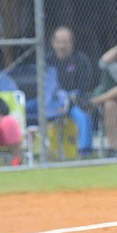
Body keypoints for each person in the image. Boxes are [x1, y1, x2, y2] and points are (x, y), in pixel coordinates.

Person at [46, 26, 96, 158]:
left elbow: (85, 87)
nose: (62, 46)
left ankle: (84, 151)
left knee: (83, 115)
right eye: (59, 42)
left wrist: (67, 101)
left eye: (65, 42)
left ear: (72, 44)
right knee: (27, 107)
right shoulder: (46, 61)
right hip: (52, 102)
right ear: (53, 44)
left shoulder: (81, 60)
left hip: (74, 102)